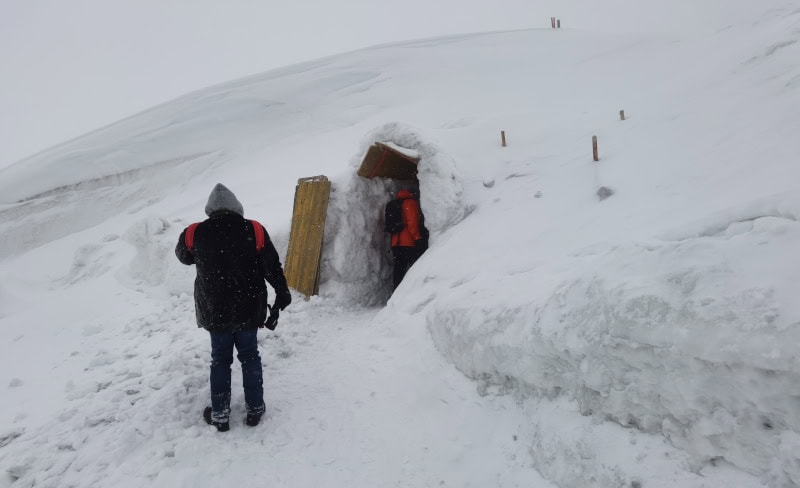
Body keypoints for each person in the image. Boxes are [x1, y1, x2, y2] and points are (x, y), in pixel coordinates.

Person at [175, 183, 291, 432]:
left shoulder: (195, 232)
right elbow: (271, 266)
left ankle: (219, 414)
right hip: (249, 306)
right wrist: (282, 292)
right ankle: (255, 409)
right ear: (237, 207)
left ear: (210, 210)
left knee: (220, 360)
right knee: (250, 357)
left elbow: (184, 257)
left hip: (215, 309)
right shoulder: (254, 229)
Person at [386, 188, 429, 289]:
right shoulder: (410, 203)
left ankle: (396, 292)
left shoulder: (394, 204)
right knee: (415, 268)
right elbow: (412, 223)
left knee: (399, 270)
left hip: (396, 244)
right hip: (408, 243)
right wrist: (417, 238)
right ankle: (412, 292)